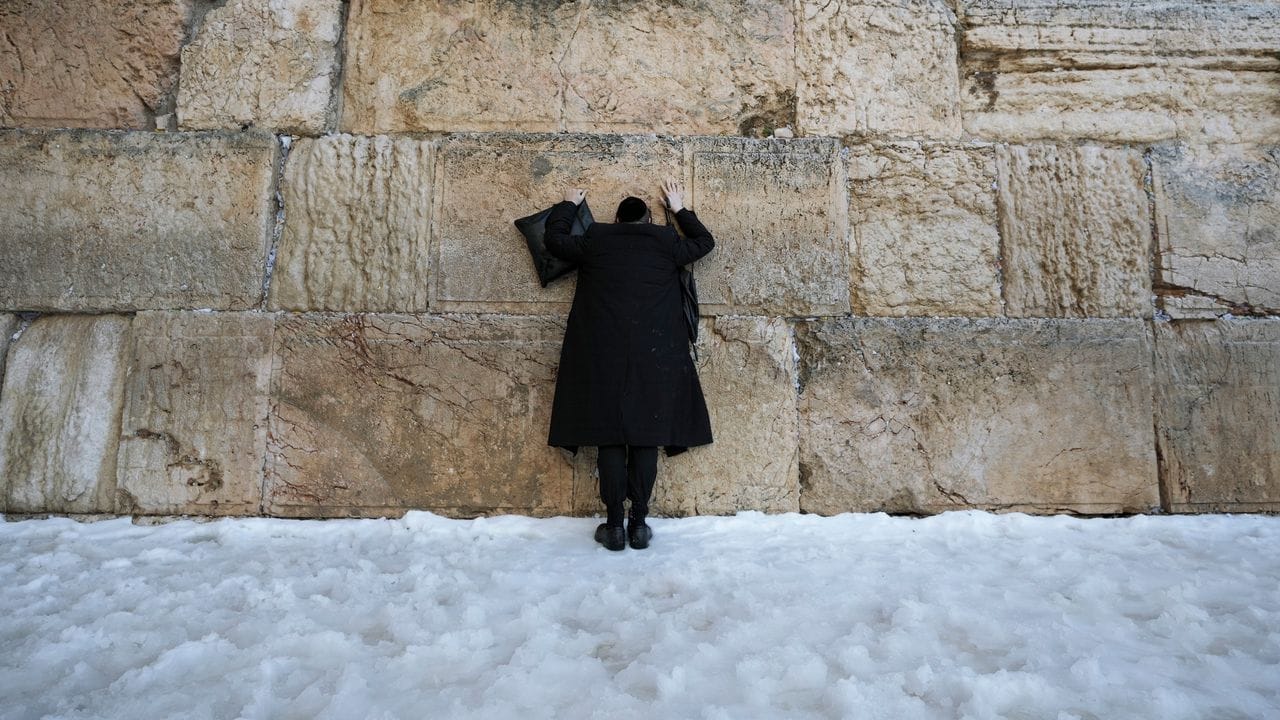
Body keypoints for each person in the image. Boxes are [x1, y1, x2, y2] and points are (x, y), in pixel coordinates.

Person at [544, 179, 715, 551]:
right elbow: (705, 243)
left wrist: (569, 205)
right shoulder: (667, 242)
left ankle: (614, 525)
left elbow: (554, 241)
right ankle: (639, 522)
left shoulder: (597, 238)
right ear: (650, 219)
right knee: (645, 436)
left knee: (610, 434)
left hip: (602, 354)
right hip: (656, 354)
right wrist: (680, 207)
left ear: (617, 220)